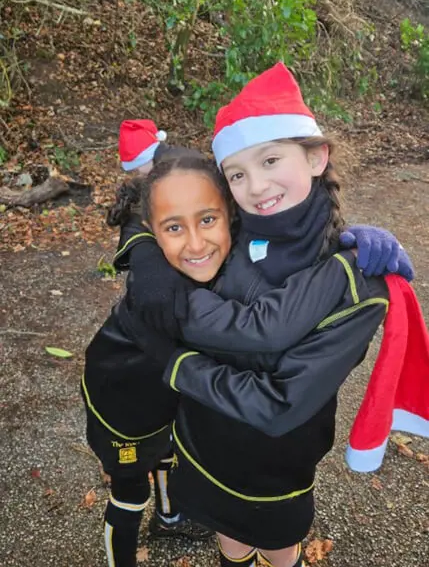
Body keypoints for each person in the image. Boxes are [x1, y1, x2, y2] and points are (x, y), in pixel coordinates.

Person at [83, 112, 413, 567]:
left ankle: (170, 508)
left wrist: (356, 251)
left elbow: (276, 390)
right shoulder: (215, 243)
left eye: (271, 160)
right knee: (137, 495)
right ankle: (164, 514)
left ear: (318, 157)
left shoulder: (346, 280)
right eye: (239, 174)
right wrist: (142, 251)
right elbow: (161, 205)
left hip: (270, 466)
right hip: (138, 413)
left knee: (275, 547)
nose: (257, 186)